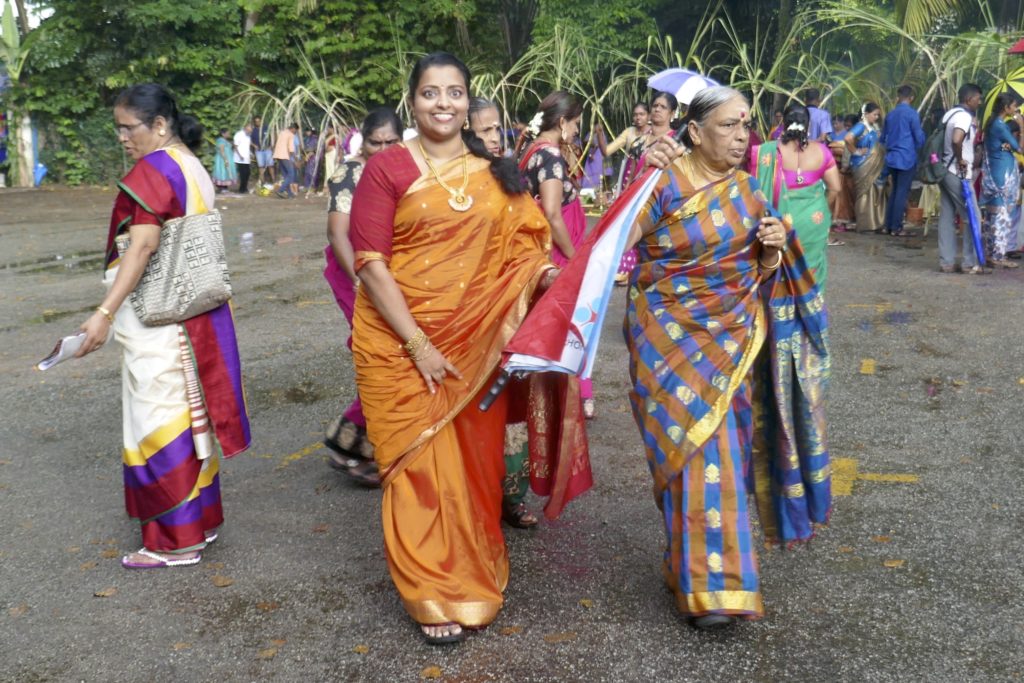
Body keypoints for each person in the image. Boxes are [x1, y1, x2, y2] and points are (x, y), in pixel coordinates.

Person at [349, 52, 572, 645]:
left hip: (476, 346)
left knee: (474, 466)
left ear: (468, 102)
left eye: (453, 93)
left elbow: (528, 248)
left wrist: (550, 282)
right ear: (412, 101)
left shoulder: (496, 170)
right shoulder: (388, 169)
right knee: (416, 469)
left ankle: (470, 576)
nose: (442, 103)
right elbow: (370, 265)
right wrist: (418, 344)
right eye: (429, 93)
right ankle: (428, 589)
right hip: (399, 346)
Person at [632, 86, 831, 630]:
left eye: (746, 124)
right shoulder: (662, 182)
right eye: (727, 125)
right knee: (691, 454)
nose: (742, 136)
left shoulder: (748, 191)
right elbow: (615, 246)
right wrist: (638, 178)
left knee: (720, 456)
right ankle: (701, 580)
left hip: (731, 343)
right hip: (668, 343)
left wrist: (771, 247)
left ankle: (707, 581)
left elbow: (763, 274)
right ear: (693, 132)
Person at [75, 83, 250, 569]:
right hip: (195, 313)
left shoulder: (153, 169)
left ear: (158, 125)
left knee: (160, 420)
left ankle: (175, 541)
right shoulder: (189, 163)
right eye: (118, 129)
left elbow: (143, 245)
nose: (122, 138)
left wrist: (104, 313)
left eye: (128, 128)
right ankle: (201, 523)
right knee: (192, 418)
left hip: (162, 316)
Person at [468, 95, 540, 529]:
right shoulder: (456, 183)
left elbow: (533, 237)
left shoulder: (511, 177)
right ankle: (477, 496)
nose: (494, 137)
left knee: (513, 405)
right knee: (476, 408)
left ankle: (512, 498)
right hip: (471, 318)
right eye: (483, 131)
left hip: (515, 311)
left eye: (497, 128)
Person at [322, 107, 403, 487]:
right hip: (353, 270)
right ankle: (368, 449)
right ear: (363, 140)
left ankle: (352, 438)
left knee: (387, 354)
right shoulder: (349, 173)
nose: (383, 149)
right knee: (381, 352)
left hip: (387, 269)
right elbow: (338, 234)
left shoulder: (404, 167)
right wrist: (360, 281)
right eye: (376, 142)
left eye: (391, 142)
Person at [517, 91, 598, 419]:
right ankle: (577, 397)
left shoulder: (530, 151)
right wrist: (574, 255)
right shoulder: (549, 155)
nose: (578, 130)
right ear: (563, 122)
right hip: (559, 253)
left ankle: (556, 399)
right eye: (576, 123)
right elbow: (552, 212)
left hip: (546, 251)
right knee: (575, 325)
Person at [751, 103, 841, 292]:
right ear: (807, 125)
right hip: (813, 221)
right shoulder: (822, 151)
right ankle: (809, 310)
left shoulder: (767, 151)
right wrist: (822, 208)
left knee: (778, 270)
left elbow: (754, 189)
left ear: (783, 123)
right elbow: (835, 188)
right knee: (811, 268)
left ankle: (780, 313)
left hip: (779, 223)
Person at [593, 101, 653, 284]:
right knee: (627, 222)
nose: (638, 118)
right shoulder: (629, 133)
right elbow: (606, 151)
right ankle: (624, 267)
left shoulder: (655, 134)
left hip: (648, 180)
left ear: (649, 116)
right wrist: (600, 134)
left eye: (642, 114)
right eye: (635, 114)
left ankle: (640, 266)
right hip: (629, 181)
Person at [938, 84, 984, 274]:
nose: (979, 102)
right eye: (978, 98)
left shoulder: (949, 114)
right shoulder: (964, 117)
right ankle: (969, 262)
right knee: (973, 217)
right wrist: (961, 160)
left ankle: (947, 262)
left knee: (947, 216)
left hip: (943, 170)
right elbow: (957, 139)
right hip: (958, 173)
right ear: (969, 99)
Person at [980, 93, 1024, 268]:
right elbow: (1020, 148)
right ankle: (998, 256)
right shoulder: (1000, 126)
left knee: (993, 215)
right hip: (1002, 177)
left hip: (994, 174)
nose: (1015, 110)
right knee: (1002, 216)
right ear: (1006, 108)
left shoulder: (992, 123)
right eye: (1013, 106)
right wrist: (1021, 127)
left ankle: (991, 254)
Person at [881, 85, 926, 236]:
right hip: (906, 157)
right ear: (911, 98)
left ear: (898, 97)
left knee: (895, 191)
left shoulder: (890, 114)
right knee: (901, 192)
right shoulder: (913, 114)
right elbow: (919, 138)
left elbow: (883, 138)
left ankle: (888, 225)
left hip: (892, 157)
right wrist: (920, 146)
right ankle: (896, 227)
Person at [845, 102, 888, 233]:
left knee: (875, 191)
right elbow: (848, 138)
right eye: (874, 114)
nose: (876, 117)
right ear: (866, 114)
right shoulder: (861, 126)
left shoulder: (873, 127)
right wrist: (856, 151)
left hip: (874, 166)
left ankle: (875, 223)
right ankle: (865, 225)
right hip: (863, 165)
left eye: (877, 115)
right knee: (864, 193)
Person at [273, 123, 299, 198]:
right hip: (284, 156)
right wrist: (295, 159)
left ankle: (290, 193)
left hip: (278, 155)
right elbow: (291, 149)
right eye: (296, 131)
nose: (295, 132)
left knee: (286, 175)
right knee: (291, 174)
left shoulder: (282, 132)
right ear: (293, 129)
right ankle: (281, 190)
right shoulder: (291, 135)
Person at [252, 116, 274, 186]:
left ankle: (273, 180)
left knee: (270, 165)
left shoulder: (266, 128)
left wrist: (271, 146)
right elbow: (249, 140)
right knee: (260, 166)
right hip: (259, 151)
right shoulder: (253, 130)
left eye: (259, 121)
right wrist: (254, 145)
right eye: (256, 121)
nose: (258, 123)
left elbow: (273, 136)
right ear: (255, 122)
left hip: (267, 150)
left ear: (261, 121)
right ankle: (262, 182)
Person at [212, 127, 236, 193]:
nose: (229, 134)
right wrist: (225, 160)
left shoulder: (225, 140)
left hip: (227, 158)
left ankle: (224, 187)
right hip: (222, 159)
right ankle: (222, 187)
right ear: (223, 134)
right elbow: (222, 150)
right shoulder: (221, 141)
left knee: (227, 172)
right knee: (223, 172)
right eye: (227, 133)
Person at [232, 123, 253, 194]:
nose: (251, 130)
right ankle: (242, 189)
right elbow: (235, 146)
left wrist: (250, 154)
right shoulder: (239, 135)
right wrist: (239, 155)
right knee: (243, 174)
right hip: (239, 158)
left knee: (247, 173)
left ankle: (244, 187)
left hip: (246, 158)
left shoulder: (248, 136)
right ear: (246, 128)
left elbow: (247, 146)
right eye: (250, 128)